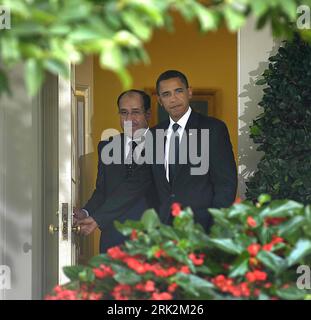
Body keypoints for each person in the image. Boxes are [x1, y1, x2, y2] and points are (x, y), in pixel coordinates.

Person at [78, 70, 237, 236]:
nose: (173, 99)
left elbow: (225, 184)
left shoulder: (213, 128)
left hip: (201, 229)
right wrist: (97, 218)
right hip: (163, 233)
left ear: (189, 92)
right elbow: (137, 182)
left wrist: (216, 229)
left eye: (178, 91)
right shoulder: (154, 135)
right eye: (166, 94)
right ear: (160, 101)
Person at [74, 89, 158, 253]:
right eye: (124, 113)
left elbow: (136, 186)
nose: (129, 119)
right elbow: (102, 191)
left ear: (147, 114)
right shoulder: (107, 146)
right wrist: (85, 212)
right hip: (113, 239)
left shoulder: (162, 144)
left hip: (151, 239)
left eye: (135, 113)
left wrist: (97, 219)